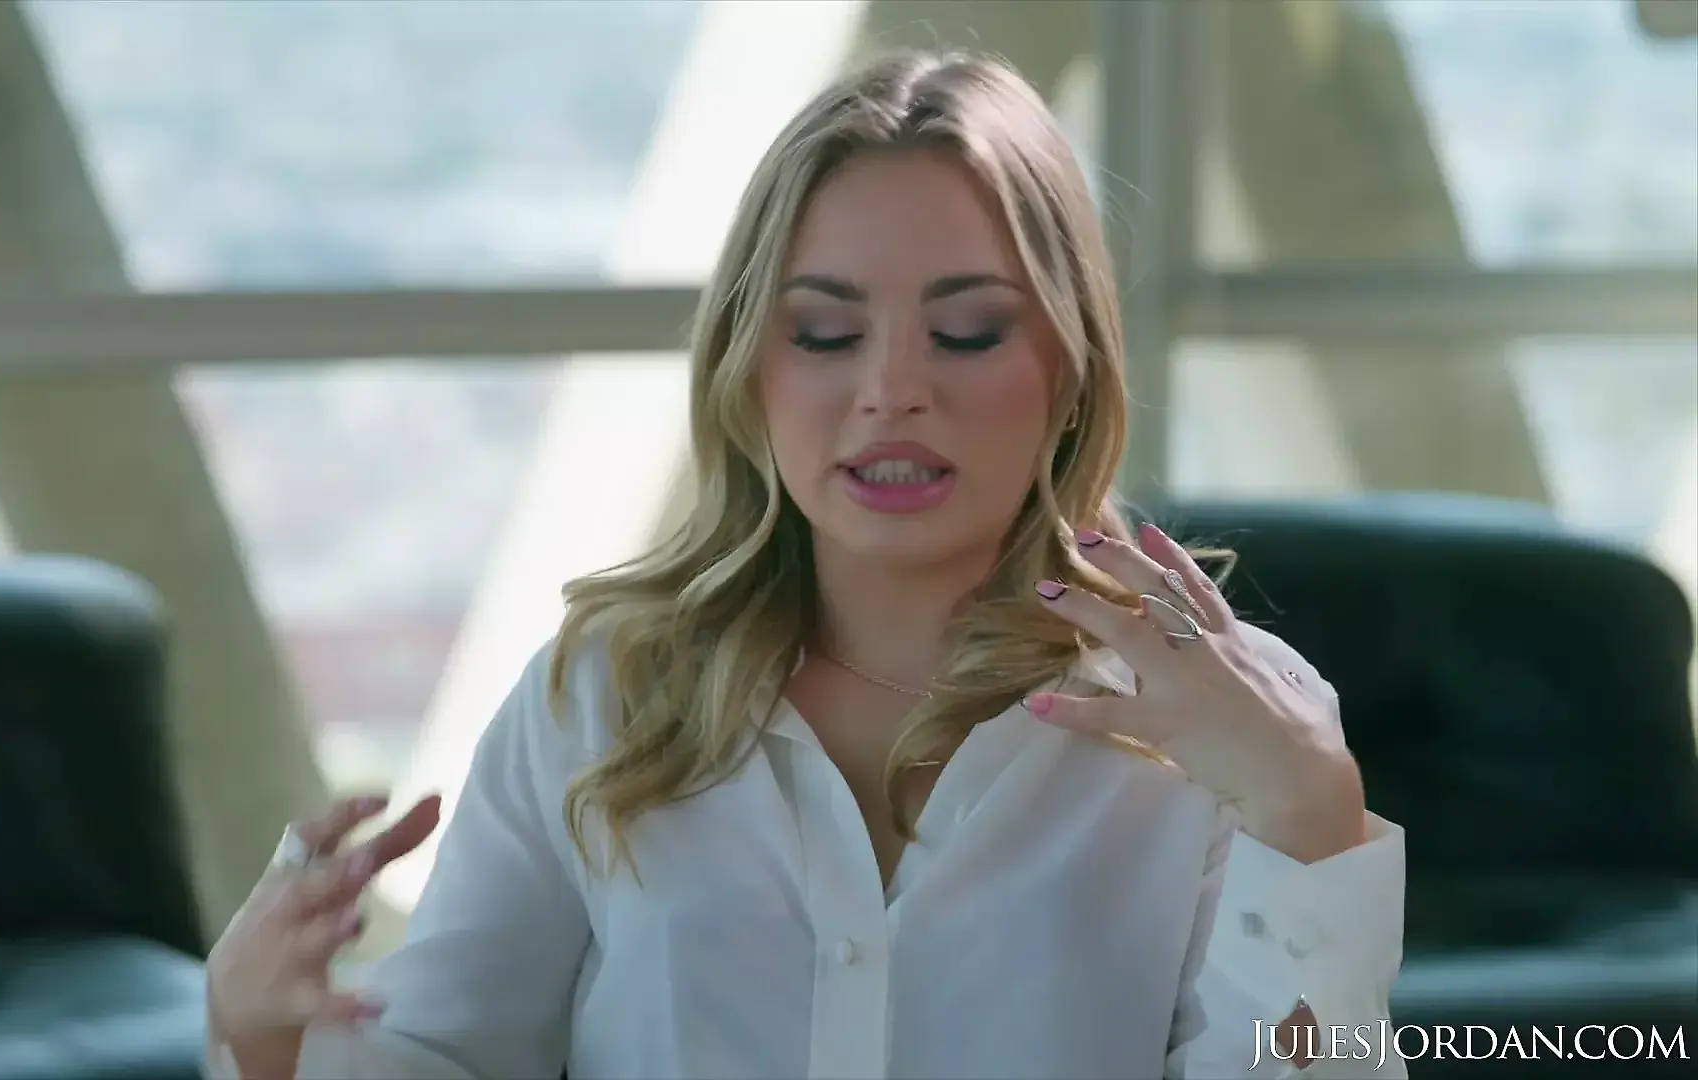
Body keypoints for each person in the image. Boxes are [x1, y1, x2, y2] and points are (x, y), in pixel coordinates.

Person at [204, 49, 1406, 1080]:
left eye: (967, 331)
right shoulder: (604, 697)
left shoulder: (1225, 723)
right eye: (825, 332)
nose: (891, 390)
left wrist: (1307, 826)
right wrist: (260, 1037)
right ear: (747, 366)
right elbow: (446, 1062)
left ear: (1072, 366)